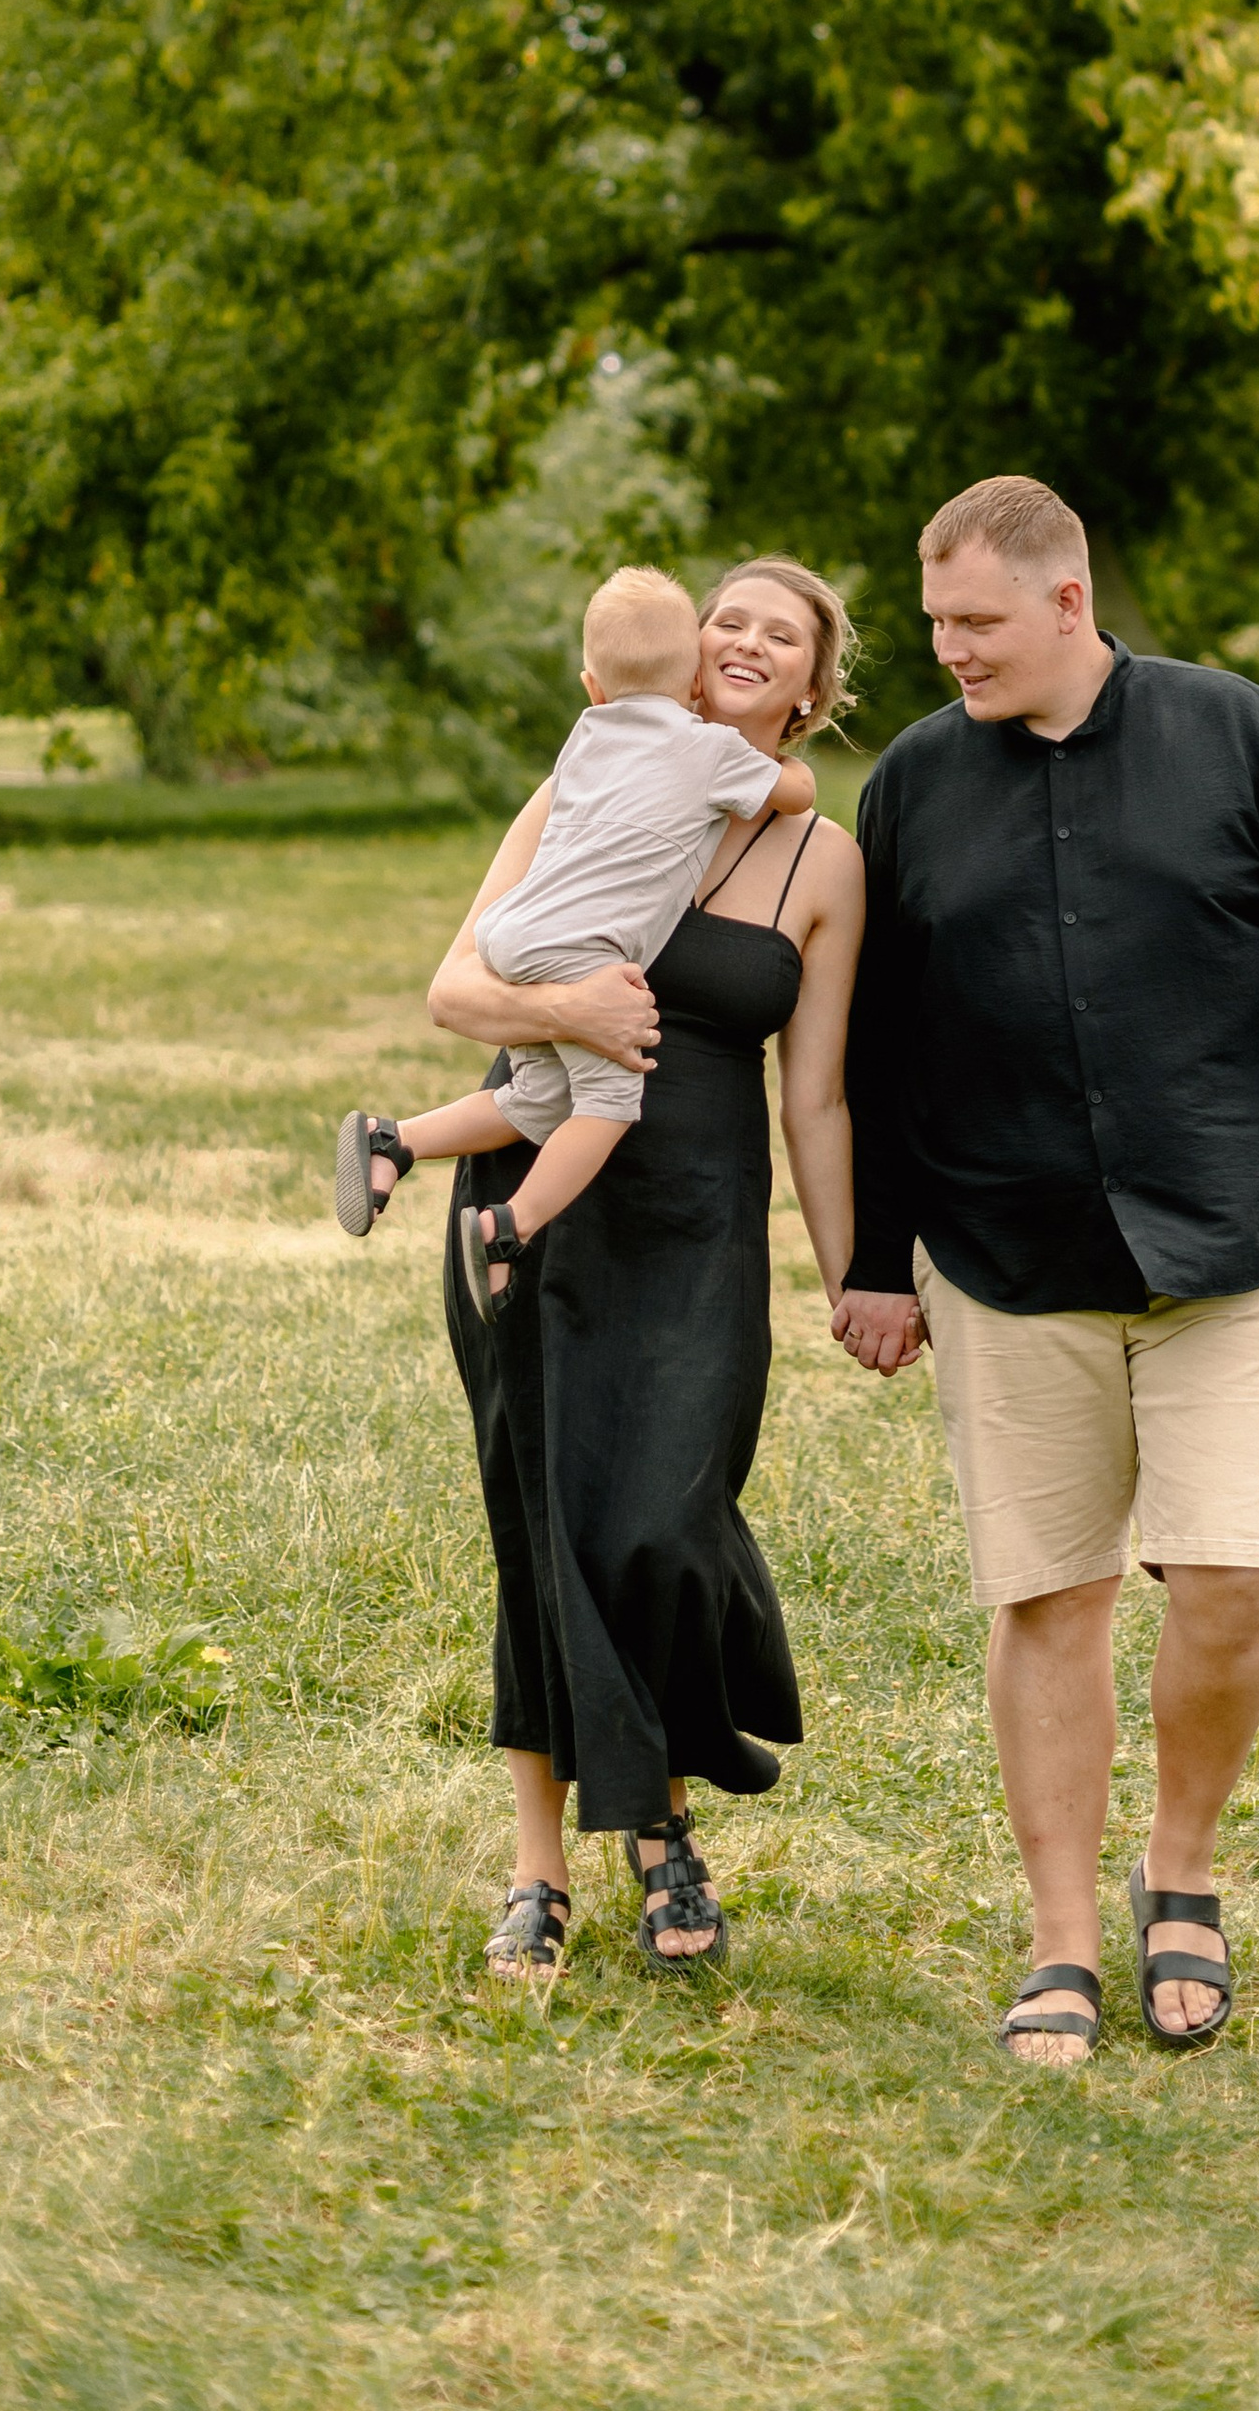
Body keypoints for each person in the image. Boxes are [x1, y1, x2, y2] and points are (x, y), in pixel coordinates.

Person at [834, 474, 1259, 2067]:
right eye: (933, 625)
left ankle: (1178, 1871)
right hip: (1006, 1254)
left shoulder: (1241, 738)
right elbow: (881, 1048)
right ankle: (1060, 1942)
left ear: (1068, 603)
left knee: (1236, 1585)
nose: (949, 653)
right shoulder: (914, 785)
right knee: (1049, 1598)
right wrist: (875, 1257)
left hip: (1229, 1241)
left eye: (975, 624)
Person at [417, 561, 865, 1980]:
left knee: (664, 1521)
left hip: (701, 1221)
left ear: (810, 688)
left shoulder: (823, 859)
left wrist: (858, 1273)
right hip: (541, 1200)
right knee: (544, 1524)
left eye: (778, 634)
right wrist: (570, 1006)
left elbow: (821, 1101)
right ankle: (560, 1866)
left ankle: (665, 1794)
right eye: (726, 616)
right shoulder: (593, 784)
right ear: (678, 657)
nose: (744, 639)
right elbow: (456, 988)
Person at [332, 565, 811, 1322]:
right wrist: (788, 767)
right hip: (579, 952)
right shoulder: (708, 751)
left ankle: (393, 1140)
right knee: (611, 1103)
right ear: (693, 677)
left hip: (516, 930)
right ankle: (505, 1231)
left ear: (592, 685)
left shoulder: (587, 737)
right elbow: (798, 794)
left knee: (540, 1098)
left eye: (781, 635)